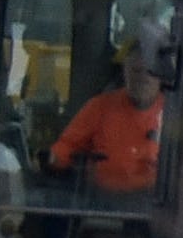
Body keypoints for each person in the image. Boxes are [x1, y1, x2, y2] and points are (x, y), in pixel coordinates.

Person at [48, 28, 168, 200]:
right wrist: (52, 160)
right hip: (101, 206)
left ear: (161, 76)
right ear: (124, 71)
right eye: (135, 70)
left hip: (155, 209)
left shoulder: (175, 114)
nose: (142, 78)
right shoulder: (99, 107)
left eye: (149, 72)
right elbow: (66, 147)